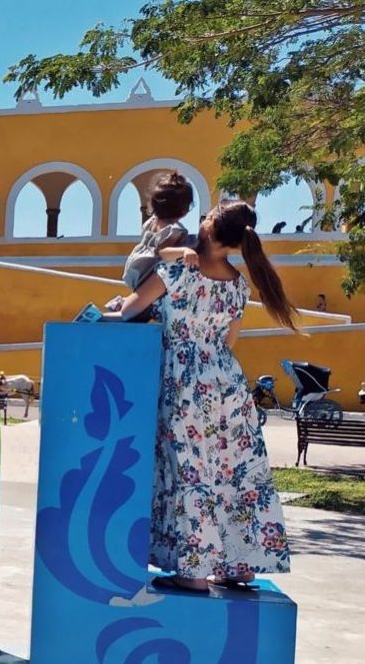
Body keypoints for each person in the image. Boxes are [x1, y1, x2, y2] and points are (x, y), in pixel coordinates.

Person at [102, 201, 296, 592]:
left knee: (191, 471)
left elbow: (128, 312)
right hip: (227, 383)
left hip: (184, 384)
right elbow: (229, 340)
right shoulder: (239, 285)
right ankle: (239, 565)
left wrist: (105, 311)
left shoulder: (176, 272)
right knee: (235, 471)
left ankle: (192, 571)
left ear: (208, 228)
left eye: (205, 217)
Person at [104, 172, 198, 319]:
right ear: (185, 211)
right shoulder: (174, 231)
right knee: (135, 314)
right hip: (148, 277)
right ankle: (105, 317)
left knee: (134, 309)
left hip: (137, 272)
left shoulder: (151, 223)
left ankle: (116, 308)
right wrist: (186, 248)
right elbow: (164, 251)